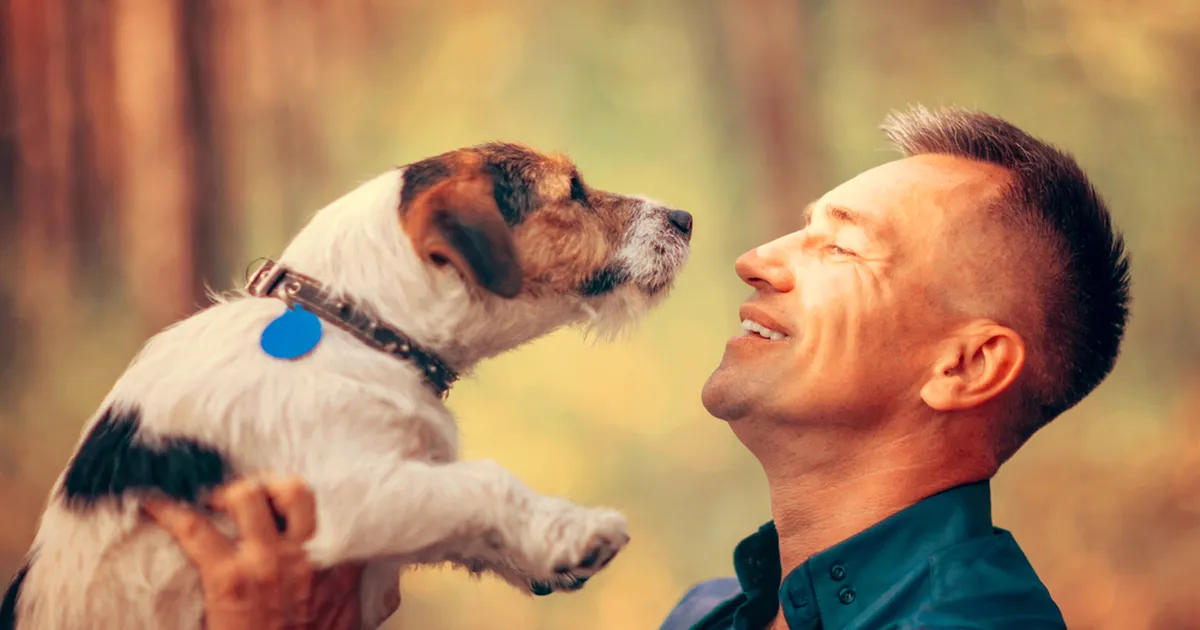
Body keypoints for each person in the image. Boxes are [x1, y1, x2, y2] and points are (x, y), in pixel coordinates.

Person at [146, 106, 1131, 629]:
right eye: (797, 228)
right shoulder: (708, 616)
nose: (756, 258)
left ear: (968, 364)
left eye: (839, 245)